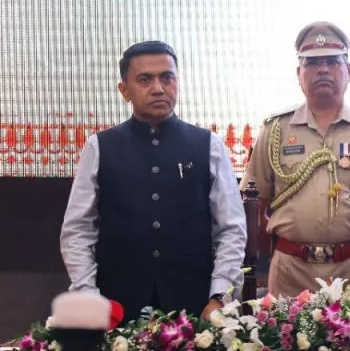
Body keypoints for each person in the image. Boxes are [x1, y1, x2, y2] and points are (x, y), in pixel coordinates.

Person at [60, 41, 246, 321]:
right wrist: (88, 295)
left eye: (167, 77)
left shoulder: (208, 145)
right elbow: (77, 231)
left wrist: (220, 296)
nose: (158, 88)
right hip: (117, 308)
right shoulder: (99, 147)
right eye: (145, 79)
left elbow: (231, 228)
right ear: (124, 90)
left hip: (196, 308)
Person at [242, 22, 350, 298]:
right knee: (285, 342)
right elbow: (255, 203)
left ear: (348, 71)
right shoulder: (276, 129)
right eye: (312, 63)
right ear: (299, 73)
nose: (323, 70)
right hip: (292, 270)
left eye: (332, 62)